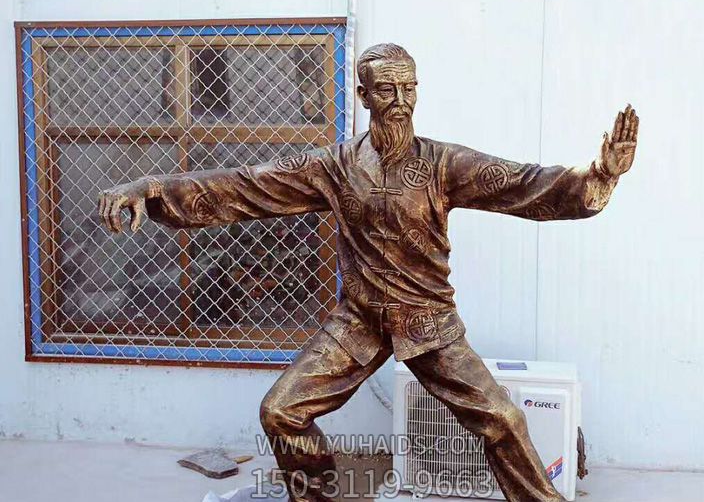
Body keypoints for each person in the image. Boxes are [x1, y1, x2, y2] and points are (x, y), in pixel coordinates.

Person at [99, 43, 639, 502]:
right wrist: (150, 189)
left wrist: (598, 175)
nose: (400, 101)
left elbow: (523, 184)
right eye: (386, 90)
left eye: (409, 88)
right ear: (364, 96)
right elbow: (244, 186)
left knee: (502, 419)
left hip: (427, 321)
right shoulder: (333, 167)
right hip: (357, 322)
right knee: (281, 412)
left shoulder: (444, 164)